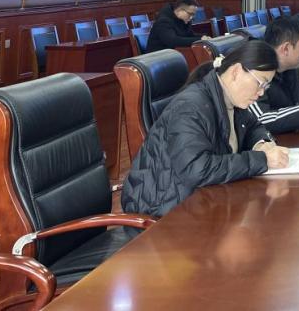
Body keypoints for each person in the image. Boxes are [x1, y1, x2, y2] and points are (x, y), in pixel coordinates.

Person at [121, 40, 290, 218]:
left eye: (266, 86)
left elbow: (253, 126)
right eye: (260, 83)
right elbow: (196, 169)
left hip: (201, 199)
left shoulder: (231, 98)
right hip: (163, 210)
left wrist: (261, 143)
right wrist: (262, 159)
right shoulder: (190, 106)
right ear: (236, 71)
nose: (261, 92)